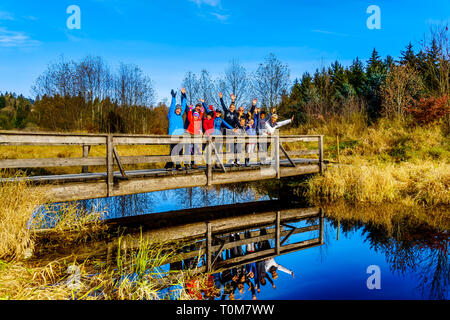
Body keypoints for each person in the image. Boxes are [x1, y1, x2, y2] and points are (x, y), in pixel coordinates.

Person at [165, 89, 186, 171]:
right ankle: (169, 166)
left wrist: (183, 95)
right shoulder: (171, 115)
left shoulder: (180, 115)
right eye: (177, 109)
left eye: (179, 109)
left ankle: (178, 165)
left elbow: (183, 105)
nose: (179, 110)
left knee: (180, 150)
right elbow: (172, 106)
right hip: (173, 135)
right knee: (173, 150)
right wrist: (173, 98)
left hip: (180, 135)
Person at [219, 93, 239, 165]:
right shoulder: (227, 111)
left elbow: (237, 122)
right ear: (230, 107)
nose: (232, 108)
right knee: (226, 145)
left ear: (234, 108)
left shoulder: (235, 114)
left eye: (233, 107)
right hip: (225, 130)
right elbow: (223, 105)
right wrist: (221, 98)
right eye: (231, 107)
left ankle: (233, 160)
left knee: (232, 145)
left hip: (232, 131)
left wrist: (233, 101)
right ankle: (221, 160)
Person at [185, 102, 204, 169]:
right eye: (194, 116)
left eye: (196, 116)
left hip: (195, 134)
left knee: (195, 148)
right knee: (188, 148)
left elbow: (201, 115)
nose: (195, 117)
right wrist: (190, 109)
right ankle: (187, 163)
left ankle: (194, 163)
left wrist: (202, 111)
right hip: (189, 133)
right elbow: (189, 114)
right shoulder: (191, 119)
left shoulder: (198, 119)